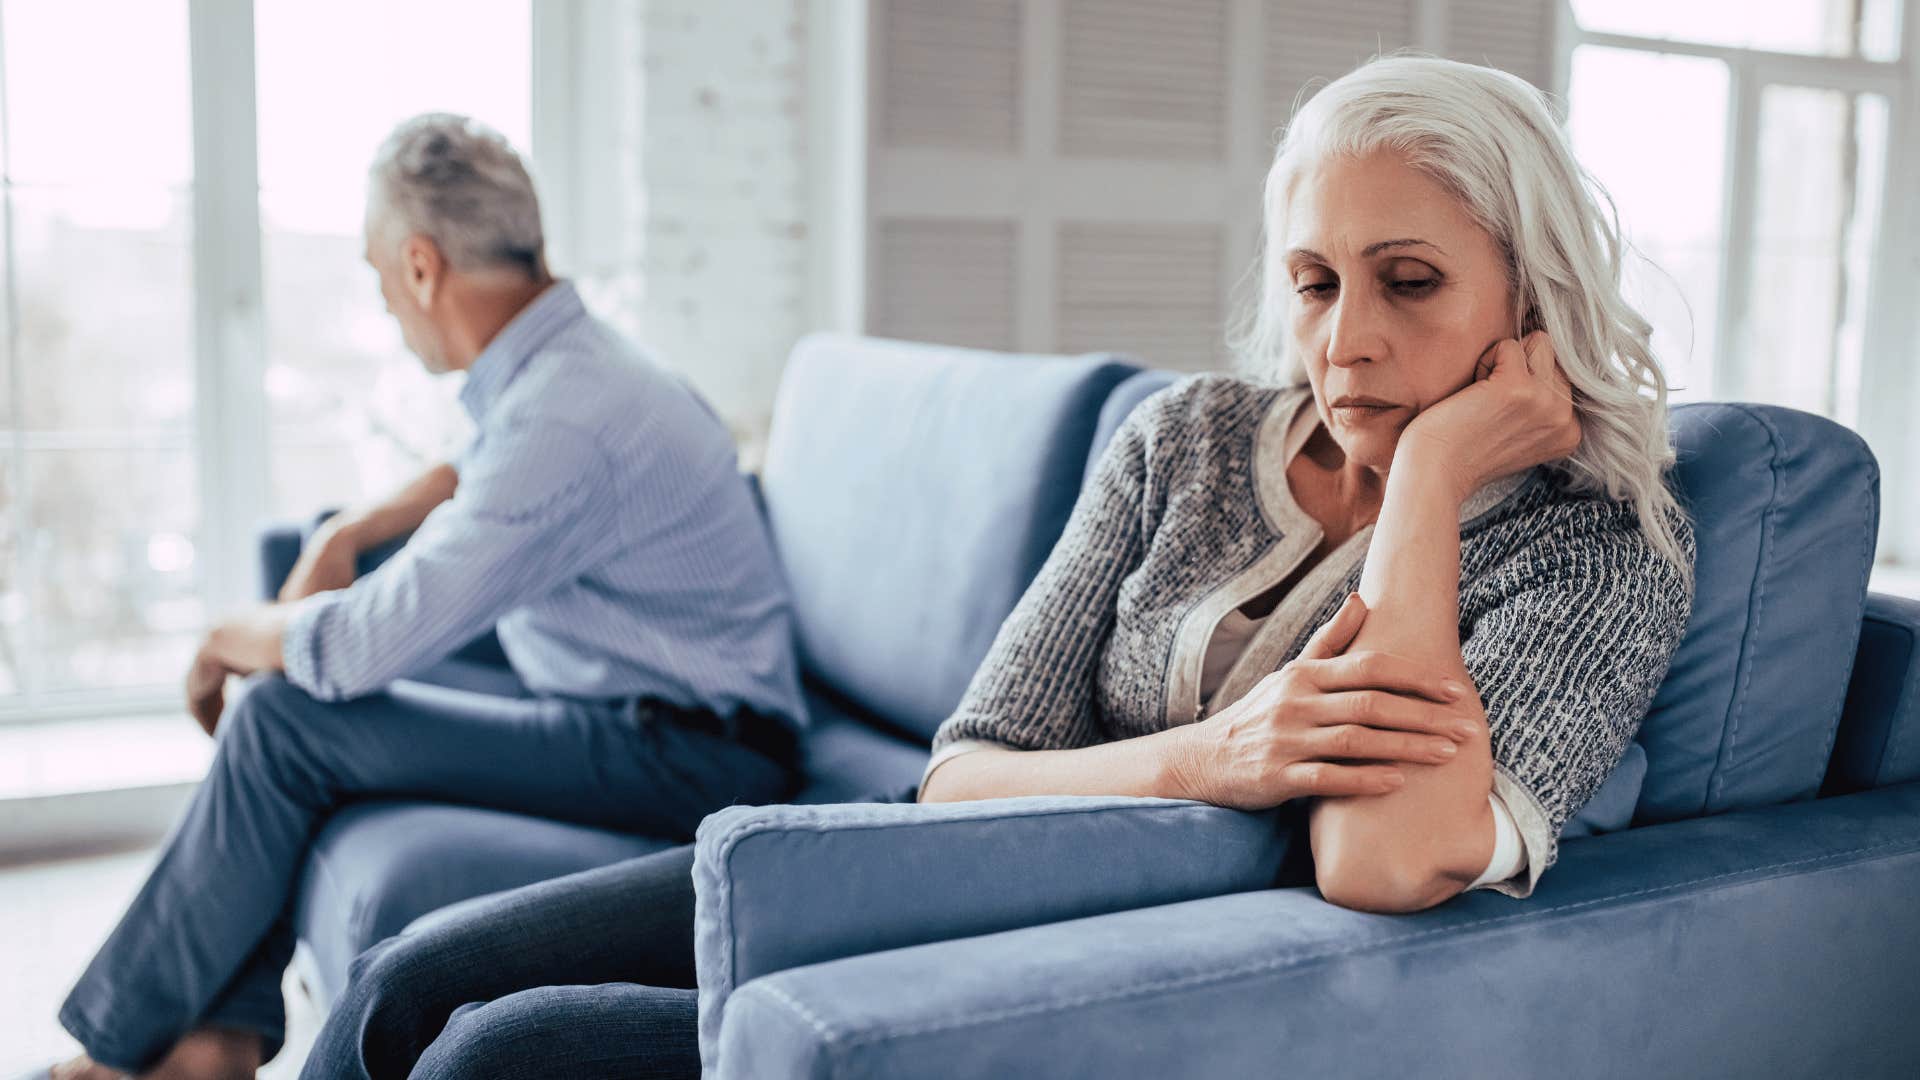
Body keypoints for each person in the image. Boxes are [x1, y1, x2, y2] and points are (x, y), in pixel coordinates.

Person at [297, 54, 1695, 1079]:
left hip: (1061, 984)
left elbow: (1383, 858)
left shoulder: (1596, 554)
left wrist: (1435, 482)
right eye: (1317, 283)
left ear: (1530, 291)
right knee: (411, 981)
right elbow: (962, 768)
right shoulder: (1189, 439)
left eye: (1412, 281)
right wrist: (1212, 757)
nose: (1345, 342)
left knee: (504, 1058)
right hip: (918, 869)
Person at [42, 114, 805, 1080]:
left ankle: (118, 1057)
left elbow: (360, 643)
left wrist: (224, 635)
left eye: (373, 275)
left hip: (687, 752)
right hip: (632, 704)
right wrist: (347, 531)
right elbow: (472, 467)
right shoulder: (569, 369)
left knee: (289, 717)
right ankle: (215, 1040)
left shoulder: (565, 414)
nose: (383, 306)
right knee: (306, 698)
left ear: (419, 267)